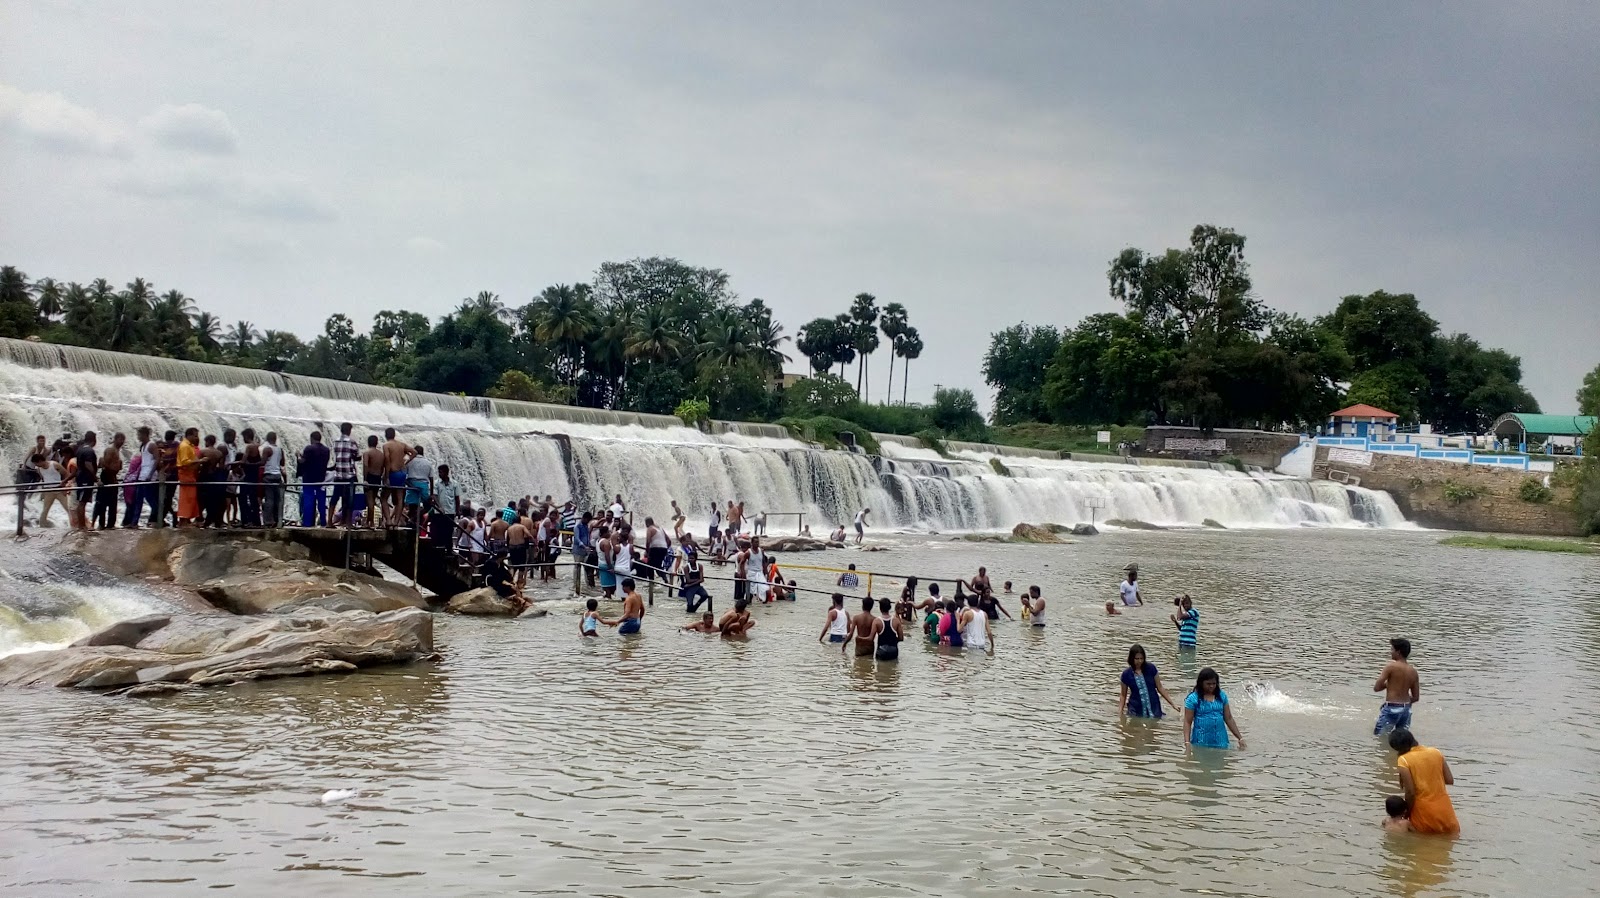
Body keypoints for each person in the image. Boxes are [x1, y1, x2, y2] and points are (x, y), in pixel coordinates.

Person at [1389, 728, 1458, 834]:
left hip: (1423, 814)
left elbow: (1410, 793)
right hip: (1446, 812)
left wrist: (1407, 813)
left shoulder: (1404, 760)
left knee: (1422, 847)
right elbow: (1449, 780)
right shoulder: (1436, 752)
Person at [1183, 667, 1246, 750]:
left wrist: (1240, 738)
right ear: (1201, 683)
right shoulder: (1193, 699)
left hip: (1221, 741)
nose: (1211, 686)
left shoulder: (1221, 696)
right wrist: (1187, 743)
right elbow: (1187, 722)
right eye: (1208, 684)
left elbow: (1229, 718)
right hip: (1201, 742)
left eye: (1214, 683)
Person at [1373, 638, 1420, 736]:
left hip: (1392, 707)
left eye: (1392, 650)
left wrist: (1388, 685)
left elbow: (1377, 687)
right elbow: (1416, 697)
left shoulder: (1391, 667)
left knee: (1379, 737)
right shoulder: (1413, 671)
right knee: (1401, 739)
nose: (1391, 652)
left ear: (1398, 652)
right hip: (1406, 709)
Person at [1119, 644, 1179, 718]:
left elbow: (1160, 688)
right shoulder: (1126, 674)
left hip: (1154, 706)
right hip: (1136, 709)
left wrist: (1173, 704)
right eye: (1137, 659)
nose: (1139, 661)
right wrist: (1120, 712)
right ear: (1131, 659)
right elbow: (1123, 695)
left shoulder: (1151, 669)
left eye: (1141, 658)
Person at [93, 432, 125, 530]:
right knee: (103, 502)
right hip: (107, 477)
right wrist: (112, 476)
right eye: (120, 439)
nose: (122, 441)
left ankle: (111, 524)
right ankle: (102, 524)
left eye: (123, 439)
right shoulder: (111, 450)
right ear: (115, 439)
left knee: (112, 503)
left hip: (112, 477)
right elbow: (104, 464)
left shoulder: (117, 451)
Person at [299, 430, 331, 527]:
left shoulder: (309, 448)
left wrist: (298, 456)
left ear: (312, 438)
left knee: (309, 501)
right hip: (321, 479)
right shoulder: (326, 450)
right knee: (322, 502)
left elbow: (303, 461)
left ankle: (307, 523)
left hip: (309, 479)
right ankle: (323, 522)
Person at [382, 428, 413, 526]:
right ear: (394, 435)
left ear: (386, 435)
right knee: (400, 499)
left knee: (383, 498)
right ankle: (396, 522)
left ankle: (388, 520)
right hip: (402, 473)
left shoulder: (386, 445)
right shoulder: (402, 445)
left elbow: (387, 460)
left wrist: (386, 476)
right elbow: (415, 452)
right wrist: (406, 461)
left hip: (393, 472)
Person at [331, 422, 359, 527]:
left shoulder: (336, 441)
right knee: (349, 498)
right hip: (349, 474)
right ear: (349, 431)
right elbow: (355, 456)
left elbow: (337, 454)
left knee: (336, 497)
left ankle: (331, 521)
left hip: (338, 474)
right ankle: (348, 522)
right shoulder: (352, 442)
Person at [69, 432, 98, 531]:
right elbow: (88, 465)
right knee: (82, 503)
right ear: (93, 440)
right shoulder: (89, 451)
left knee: (81, 502)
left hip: (81, 478)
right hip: (86, 479)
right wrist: (96, 478)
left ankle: (81, 525)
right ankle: (82, 526)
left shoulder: (80, 449)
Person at [176, 428, 202, 526]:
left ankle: (187, 519)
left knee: (190, 497)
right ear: (189, 435)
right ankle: (183, 520)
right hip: (185, 473)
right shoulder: (184, 446)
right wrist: (199, 461)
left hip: (190, 474)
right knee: (187, 498)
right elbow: (184, 462)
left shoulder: (189, 446)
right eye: (195, 435)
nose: (197, 438)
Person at [405, 444, 433, 527]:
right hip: (424, 484)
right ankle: (415, 518)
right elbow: (431, 478)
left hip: (412, 484)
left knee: (412, 506)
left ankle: (411, 522)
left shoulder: (410, 462)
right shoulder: (428, 463)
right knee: (428, 506)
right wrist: (431, 493)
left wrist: (407, 483)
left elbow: (404, 474)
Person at [261, 431, 285, 527]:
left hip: (268, 475)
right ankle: (277, 519)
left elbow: (262, 462)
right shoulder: (280, 449)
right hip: (278, 475)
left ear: (267, 439)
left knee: (269, 499)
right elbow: (282, 463)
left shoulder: (267, 449)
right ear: (275, 439)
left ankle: (268, 521)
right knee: (277, 499)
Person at [361, 435, 384, 528]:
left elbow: (366, 465)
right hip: (378, 477)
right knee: (373, 499)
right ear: (376, 442)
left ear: (368, 442)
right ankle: (370, 522)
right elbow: (383, 467)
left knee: (369, 501)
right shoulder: (381, 454)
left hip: (370, 477)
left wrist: (365, 479)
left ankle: (369, 523)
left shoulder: (367, 453)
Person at [644, 516, 670, 582]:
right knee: (657, 565)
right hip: (663, 548)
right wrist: (666, 548)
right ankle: (665, 579)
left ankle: (651, 581)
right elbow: (669, 540)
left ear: (647, 523)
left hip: (655, 548)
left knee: (650, 565)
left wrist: (647, 552)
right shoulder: (660, 528)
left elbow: (648, 541)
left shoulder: (650, 528)